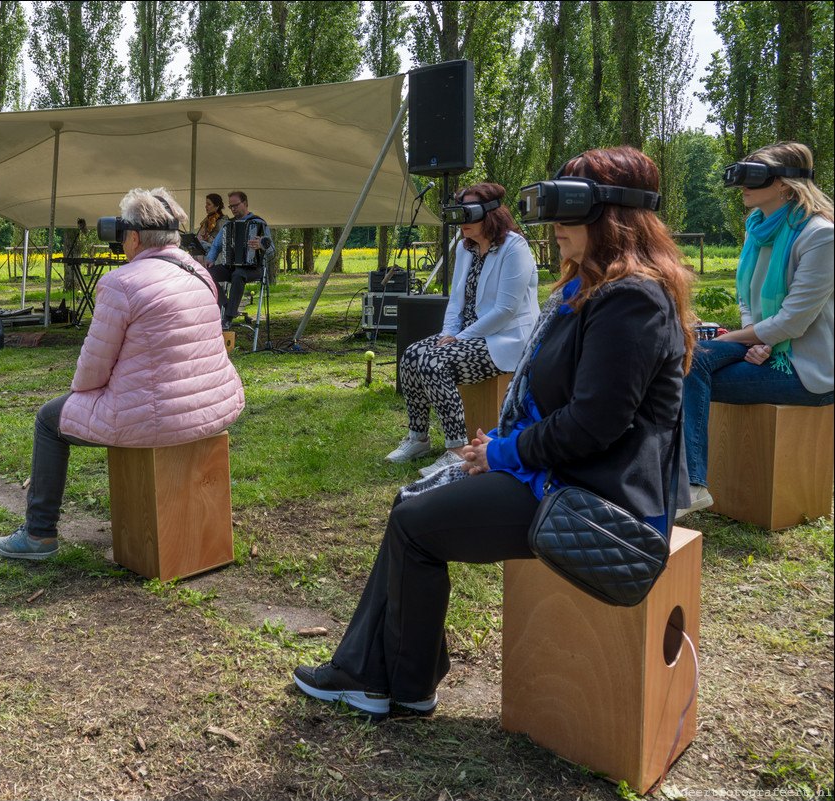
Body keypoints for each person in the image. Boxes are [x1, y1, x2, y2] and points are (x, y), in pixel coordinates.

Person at [292, 146, 693, 720]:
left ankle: (389, 682)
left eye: (569, 207)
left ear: (614, 216)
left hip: (591, 495)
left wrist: (503, 452)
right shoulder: (592, 289)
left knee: (413, 524)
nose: (554, 223)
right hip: (561, 472)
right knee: (411, 501)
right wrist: (501, 449)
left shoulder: (630, 297)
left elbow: (594, 424)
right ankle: (386, 678)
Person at [0, 187, 245, 560]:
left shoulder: (120, 283)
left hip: (157, 419)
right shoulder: (200, 273)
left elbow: (92, 368)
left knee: (49, 419)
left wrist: (79, 396)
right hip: (213, 406)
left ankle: (38, 534)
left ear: (135, 236)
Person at [677, 141, 834, 518]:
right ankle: (685, 483)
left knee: (684, 369)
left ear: (784, 184)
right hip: (766, 345)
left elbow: (793, 321)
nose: (742, 186)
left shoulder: (820, 236)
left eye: (754, 176)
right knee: (678, 358)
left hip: (805, 368)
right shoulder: (757, 228)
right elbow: (747, 297)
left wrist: (737, 339)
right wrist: (755, 337)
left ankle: (688, 485)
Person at [386, 183, 539, 473]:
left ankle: (456, 450)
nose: (462, 224)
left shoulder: (514, 248)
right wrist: (448, 333)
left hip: (507, 338)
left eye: (468, 215)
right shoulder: (465, 247)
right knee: (410, 355)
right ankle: (418, 438)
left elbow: (505, 311)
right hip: (468, 335)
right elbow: (457, 300)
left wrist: (458, 338)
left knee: (434, 362)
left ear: (490, 214)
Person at [204, 191, 275, 328]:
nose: (233, 209)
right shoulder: (228, 224)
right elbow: (216, 246)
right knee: (205, 273)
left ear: (245, 203)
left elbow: (272, 250)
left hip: (253, 269)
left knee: (239, 274)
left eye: (235, 205)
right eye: (231, 207)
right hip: (231, 267)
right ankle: (226, 304)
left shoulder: (259, 223)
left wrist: (262, 245)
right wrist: (210, 259)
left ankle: (228, 318)